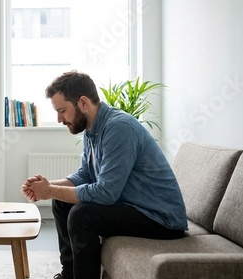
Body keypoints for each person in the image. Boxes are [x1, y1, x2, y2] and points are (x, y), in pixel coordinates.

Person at [21, 70, 187, 279]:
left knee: (82, 215)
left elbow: (106, 193)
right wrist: (46, 186)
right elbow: (86, 175)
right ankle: (69, 275)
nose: (59, 119)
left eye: (62, 110)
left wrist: (50, 190)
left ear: (83, 102)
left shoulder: (119, 128)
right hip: (136, 207)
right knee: (61, 202)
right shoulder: (92, 130)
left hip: (161, 218)